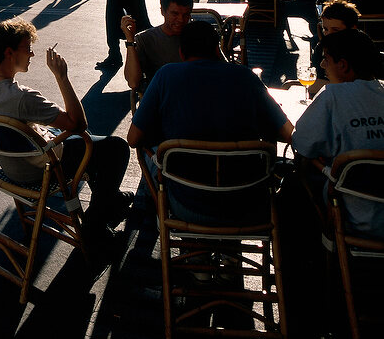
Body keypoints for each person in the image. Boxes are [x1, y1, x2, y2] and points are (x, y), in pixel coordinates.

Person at [0, 19, 131, 250]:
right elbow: (78, 123)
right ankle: (96, 223)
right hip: (40, 169)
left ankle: (112, 201)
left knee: (86, 143)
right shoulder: (23, 98)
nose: (32, 54)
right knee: (115, 147)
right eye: (27, 49)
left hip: (9, 165)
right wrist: (62, 76)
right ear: (9, 53)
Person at [127, 21, 294, 222]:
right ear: (217, 49)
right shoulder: (245, 77)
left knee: (153, 155)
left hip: (185, 203)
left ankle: (165, 227)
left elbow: (133, 138)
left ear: (181, 53)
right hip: (245, 202)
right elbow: (288, 133)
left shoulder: (166, 75)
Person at [292, 28, 384, 236]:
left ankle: (310, 263)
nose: (322, 65)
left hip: (350, 221)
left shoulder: (333, 95)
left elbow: (301, 143)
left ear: (342, 65)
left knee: (292, 181)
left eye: (326, 60)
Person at [122, 0, 193, 93]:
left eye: (186, 15)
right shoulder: (144, 39)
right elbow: (133, 82)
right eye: (175, 14)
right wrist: (130, 41)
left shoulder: (197, 36)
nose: (181, 20)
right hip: (163, 99)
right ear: (162, 11)